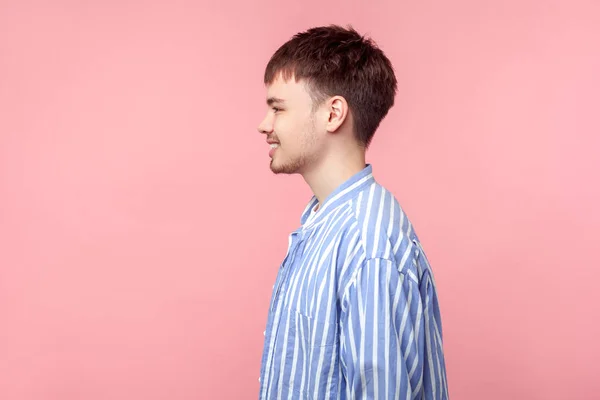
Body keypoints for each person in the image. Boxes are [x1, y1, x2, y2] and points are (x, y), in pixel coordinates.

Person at [257, 25, 448, 400]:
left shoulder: (367, 247)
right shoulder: (323, 225)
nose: (265, 125)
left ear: (333, 114)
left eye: (277, 108)